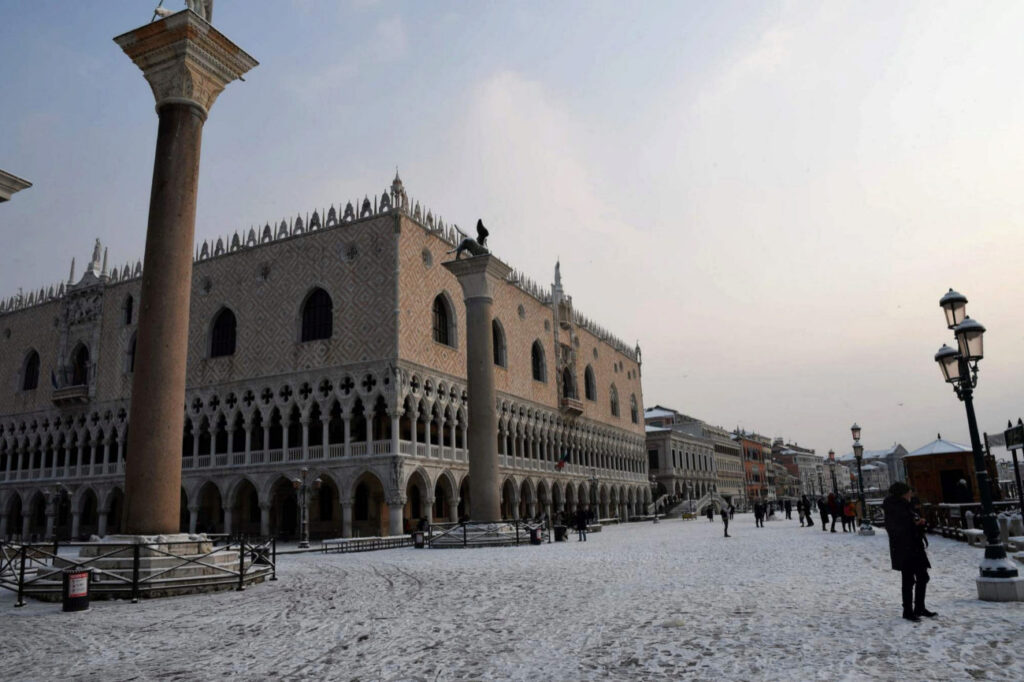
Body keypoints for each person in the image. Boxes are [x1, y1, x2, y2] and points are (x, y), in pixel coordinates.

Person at [883, 482, 936, 621]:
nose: (910, 494)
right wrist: (915, 524)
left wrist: (918, 524)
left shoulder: (905, 506)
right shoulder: (896, 507)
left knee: (922, 577)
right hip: (905, 548)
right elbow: (896, 529)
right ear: (902, 494)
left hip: (913, 547)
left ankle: (919, 607)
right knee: (908, 580)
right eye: (908, 492)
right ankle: (908, 610)